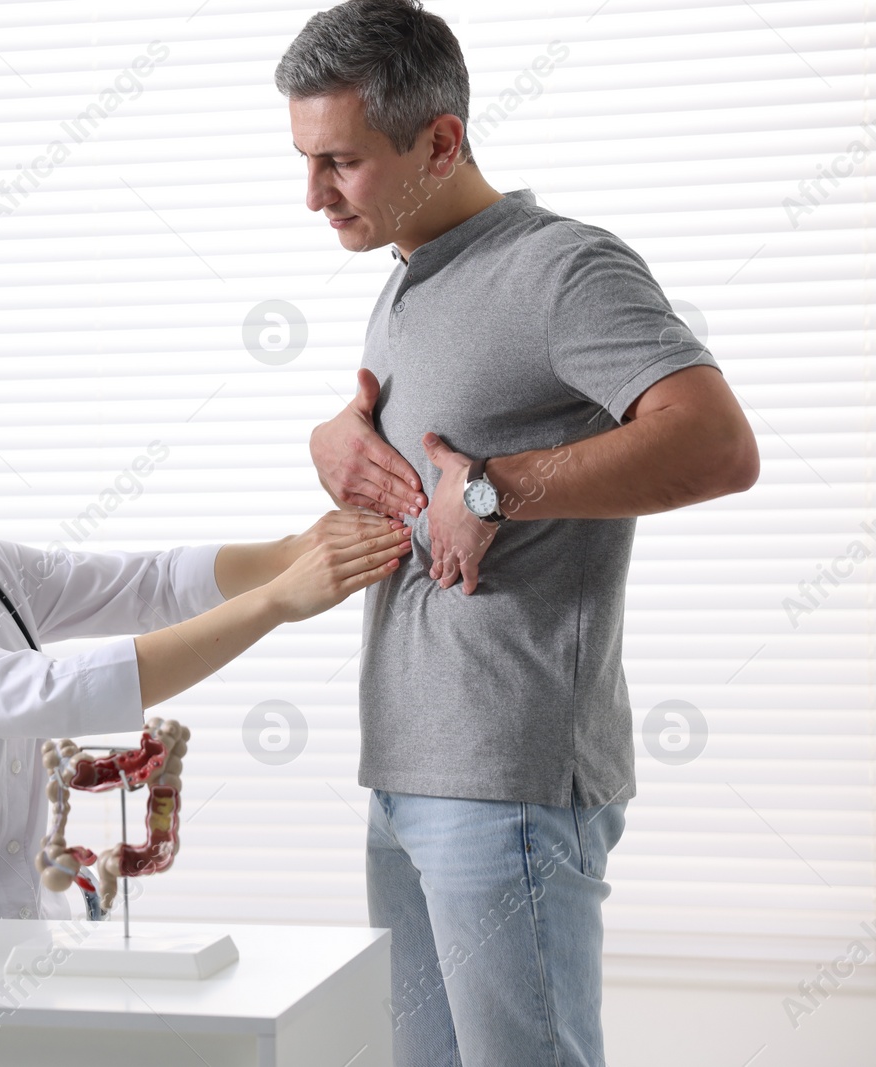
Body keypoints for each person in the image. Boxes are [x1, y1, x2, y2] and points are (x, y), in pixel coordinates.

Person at [276, 3, 759, 1065]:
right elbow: (423, 469)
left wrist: (497, 488)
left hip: (508, 777)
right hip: (404, 766)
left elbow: (717, 445)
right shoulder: (405, 280)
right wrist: (334, 441)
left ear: (439, 141)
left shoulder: (563, 268)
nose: (311, 194)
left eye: (340, 163)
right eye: (306, 160)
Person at [0, 338, 412, 920]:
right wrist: (276, 601)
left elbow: (144, 584)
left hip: (8, 928)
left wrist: (289, 551)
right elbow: (58, 691)